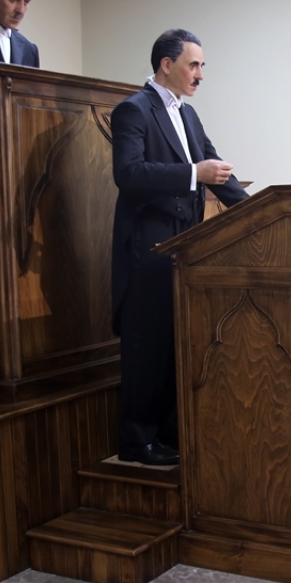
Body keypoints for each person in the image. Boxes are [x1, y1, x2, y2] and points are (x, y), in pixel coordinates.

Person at [109, 28, 248, 466]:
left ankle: (168, 435)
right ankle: (137, 442)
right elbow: (128, 174)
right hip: (148, 247)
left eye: (202, 65)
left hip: (185, 245)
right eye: (194, 65)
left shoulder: (188, 115)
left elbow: (217, 172)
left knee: (174, 344)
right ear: (166, 65)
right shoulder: (133, 109)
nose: (200, 74)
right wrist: (192, 174)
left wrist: (257, 212)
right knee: (147, 346)